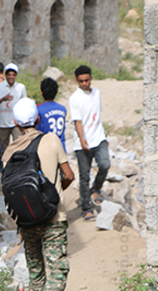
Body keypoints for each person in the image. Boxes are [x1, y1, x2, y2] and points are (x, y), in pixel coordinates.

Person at [1, 98, 74, 291]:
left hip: (26, 220)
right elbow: (69, 175)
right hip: (53, 216)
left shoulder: (9, 152)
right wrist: (54, 192)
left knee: (35, 270)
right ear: (39, 119)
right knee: (59, 268)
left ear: (15, 123)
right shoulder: (51, 139)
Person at [68, 65, 110, 222]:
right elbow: (78, 121)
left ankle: (96, 188)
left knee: (105, 164)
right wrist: (82, 138)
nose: (84, 83)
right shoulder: (74, 98)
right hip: (83, 143)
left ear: (90, 78)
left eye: (86, 80)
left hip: (98, 138)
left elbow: (97, 117)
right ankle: (86, 207)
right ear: (77, 81)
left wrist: (104, 136)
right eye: (81, 81)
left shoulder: (97, 93)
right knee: (84, 176)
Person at [0, 63, 27, 168]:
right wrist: (3, 99)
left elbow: (25, 104)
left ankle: (18, 168)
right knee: (3, 149)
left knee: (19, 146)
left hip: (16, 123)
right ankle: (5, 169)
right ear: (5, 75)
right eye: (9, 74)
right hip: (2, 123)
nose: (11, 77)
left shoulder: (21, 87)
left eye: (13, 75)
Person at [36, 77, 68, 152]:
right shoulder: (63, 109)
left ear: (41, 92)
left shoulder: (38, 109)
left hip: (45, 148)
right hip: (60, 147)